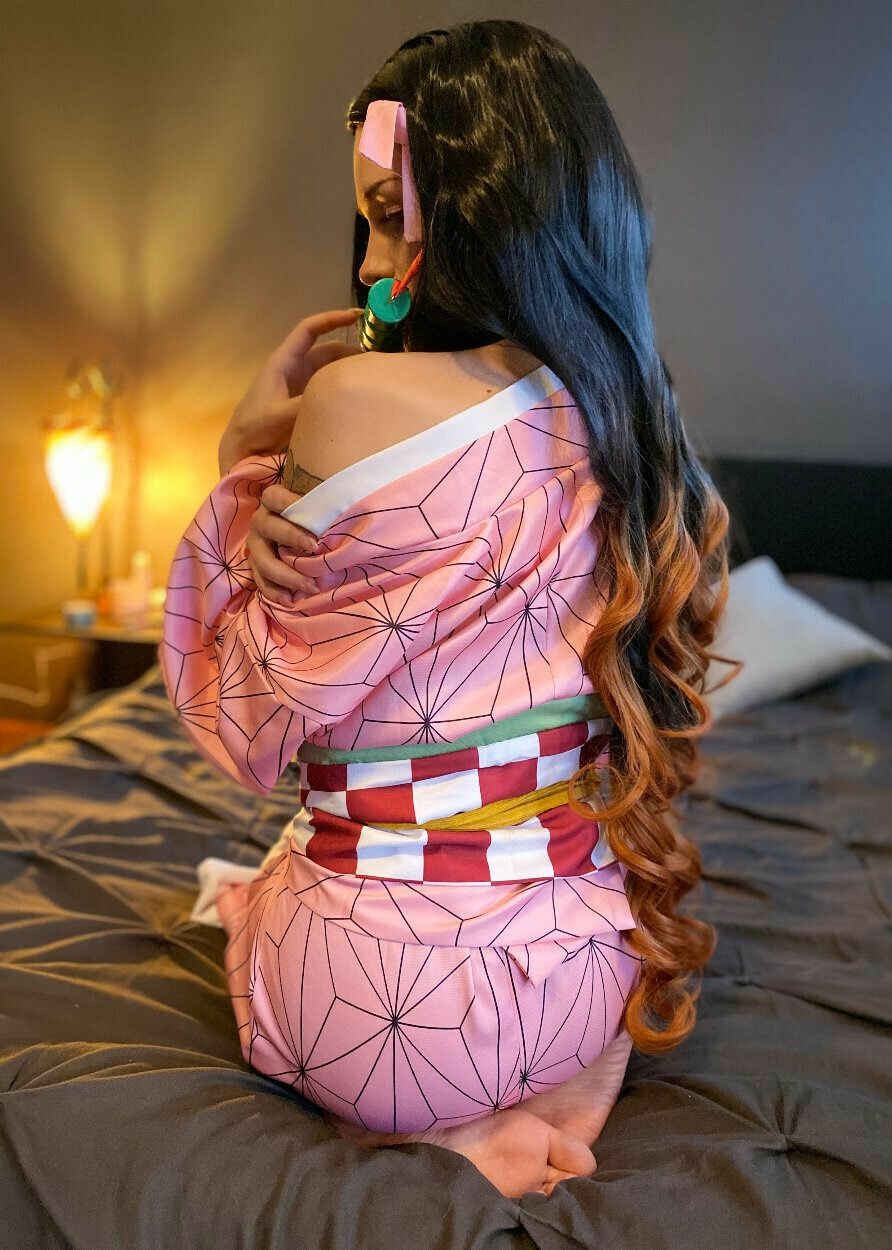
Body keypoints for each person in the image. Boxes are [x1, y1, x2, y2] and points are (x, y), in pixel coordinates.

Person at [159, 19, 735, 1200]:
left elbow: (247, 725)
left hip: (374, 1010)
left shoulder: (353, 397)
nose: (372, 264)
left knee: (287, 864)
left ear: (474, 217)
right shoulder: (626, 411)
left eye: (387, 214)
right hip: (578, 976)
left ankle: (441, 1130)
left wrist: (236, 465)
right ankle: (540, 1085)